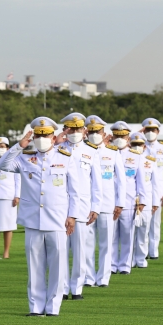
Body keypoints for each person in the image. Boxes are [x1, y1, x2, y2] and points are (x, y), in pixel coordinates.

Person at [0, 117, 79, 317]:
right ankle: (35, 308)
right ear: (33, 137)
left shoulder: (65, 158)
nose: (42, 138)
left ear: (53, 137)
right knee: (34, 267)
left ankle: (53, 308)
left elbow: (75, 191)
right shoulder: (25, 157)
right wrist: (19, 145)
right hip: (33, 219)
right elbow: (3, 165)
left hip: (58, 219)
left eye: (46, 135)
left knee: (58, 267)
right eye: (38, 135)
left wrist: (73, 216)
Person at [58, 112, 101, 300]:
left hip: (83, 206)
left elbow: (97, 182)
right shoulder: (57, 149)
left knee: (79, 249)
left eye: (78, 128)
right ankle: (62, 287)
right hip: (59, 206)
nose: (74, 132)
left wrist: (96, 207)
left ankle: (76, 288)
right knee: (60, 249)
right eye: (71, 128)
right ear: (65, 130)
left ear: (84, 130)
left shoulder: (92, 151)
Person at [83, 116, 124, 288]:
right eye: (91, 131)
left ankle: (104, 278)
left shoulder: (113, 152)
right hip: (86, 204)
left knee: (106, 243)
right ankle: (88, 277)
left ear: (104, 133)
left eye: (97, 132)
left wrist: (120, 203)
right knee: (87, 243)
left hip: (107, 204)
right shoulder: (82, 152)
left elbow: (121, 180)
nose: (94, 134)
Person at [109, 122, 148, 275]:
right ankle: (111, 264)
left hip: (129, 200)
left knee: (127, 234)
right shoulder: (106, 153)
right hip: (110, 201)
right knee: (111, 236)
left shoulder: (135, 155)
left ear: (128, 137)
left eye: (122, 136)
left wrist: (142, 200)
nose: (119, 139)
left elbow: (141, 179)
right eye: (117, 136)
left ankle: (125, 265)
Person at [140, 118, 163, 260]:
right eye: (147, 130)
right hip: (143, 190)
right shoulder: (138, 146)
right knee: (142, 222)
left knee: (155, 222)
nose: (150, 133)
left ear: (158, 132)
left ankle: (153, 252)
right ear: (143, 131)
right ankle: (142, 251)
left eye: (153, 130)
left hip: (158, 191)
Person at [0, 136, 20, 260]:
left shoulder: (13, 160)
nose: (0, 149)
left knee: (8, 226)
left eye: (3, 147)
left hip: (9, 196)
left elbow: (18, 179)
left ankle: (6, 252)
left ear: (7, 148)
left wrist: (17, 195)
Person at [129, 132, 158, 269]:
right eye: (134, 144)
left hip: (145, 202)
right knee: (129, 233)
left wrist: (155, 203)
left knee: (143, 232)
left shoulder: (150, 162)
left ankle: (140, 259)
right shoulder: (125, 160)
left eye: (139, 144)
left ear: (144, 146)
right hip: (129, 201)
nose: (136, 147)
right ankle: (129, 259)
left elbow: (155, 184)